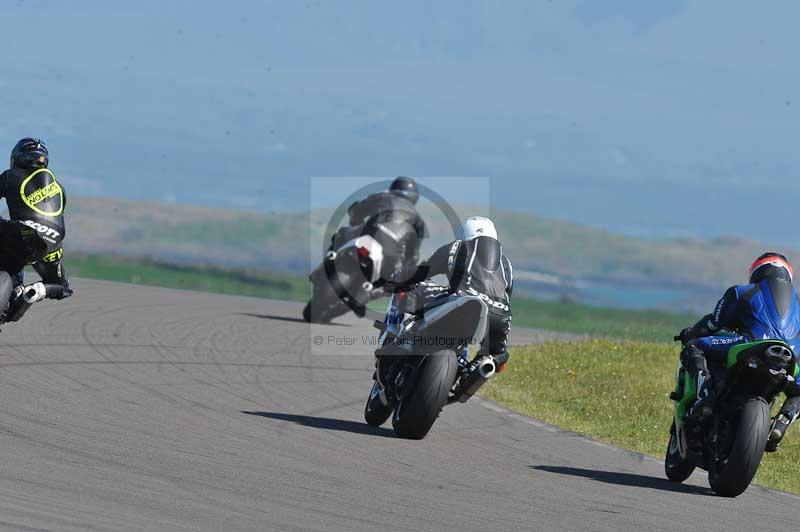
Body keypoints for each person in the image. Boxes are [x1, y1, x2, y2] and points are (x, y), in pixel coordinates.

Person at [676, 252, 800, 451]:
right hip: (790, 356)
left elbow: (712, 325)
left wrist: (690, 334)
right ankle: (782, 422)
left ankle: (705, 399)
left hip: (750, 344)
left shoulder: (742, 292)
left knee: (696, 346)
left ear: (756, 271)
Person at [384, 216, 514, 371]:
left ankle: (397, 340)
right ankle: (472, 370)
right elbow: (507, 296)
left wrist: (395, 278)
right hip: (500, 316)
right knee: (494, 359)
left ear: (464, 234)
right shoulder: (506, 265)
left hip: (464, 302)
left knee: (410, 289)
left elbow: (422, 272)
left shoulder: (457, 247)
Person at [0, 138, 72, 322]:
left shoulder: (10, 176)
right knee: (61, 286)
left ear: (16, 159)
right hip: (50, 242)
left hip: (21, 231)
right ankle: (32, 293)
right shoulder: (59, 189)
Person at [332, 176, 427, 276]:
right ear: (415, 196)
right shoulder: (419, 220)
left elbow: (356, 210)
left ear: (393, 187)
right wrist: (405, 264)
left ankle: (329, 261)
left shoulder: (381, 196)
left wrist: (355, 222)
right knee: (391, 281)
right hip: (392, 254)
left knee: (342, 233)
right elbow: (413, 254)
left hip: (369, 235)